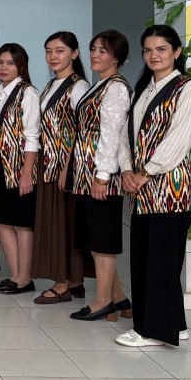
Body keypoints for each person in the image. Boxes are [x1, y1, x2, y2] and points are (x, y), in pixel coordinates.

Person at [117, 25, 191, 347]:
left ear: (177, 52)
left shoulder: (187, 89)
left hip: (170, 191)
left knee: (161, 263)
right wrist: (127, 169)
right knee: (146, 259)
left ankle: (153, 331)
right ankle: (174, 325)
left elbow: (179, 140)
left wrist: (146, 172)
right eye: (148, 50)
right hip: (142, 191)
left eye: (161, 49)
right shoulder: (144, 88)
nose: (154, 55)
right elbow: (127, 135)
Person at [70, 30, 134, 323]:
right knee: (96, 241)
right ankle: (119, 299)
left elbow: (111, 136)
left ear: (117, 58)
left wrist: (103, 177)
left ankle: (101, 302)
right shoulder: (100, 85)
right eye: (93, 49)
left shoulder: (116, 88)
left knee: (102, 244)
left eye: (103, 51)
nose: (95, 55)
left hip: (101, 177)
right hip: (88, 174)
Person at [30, 31, 90, 305]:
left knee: (63, 225)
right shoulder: (51, 85)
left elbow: (81, 130)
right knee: (58, 224)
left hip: (64, 166)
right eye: (49, 51)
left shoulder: (78, 86)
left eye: (60, 51)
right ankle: (74, 281)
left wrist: (68, 166)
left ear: (74, 54)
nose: (53, 56)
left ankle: (63, 284)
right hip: (49, 164)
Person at [0, 43, 41, 295]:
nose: (4, 67)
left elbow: (32, 136)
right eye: (0, 62)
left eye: (10, 63)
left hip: (19, 164)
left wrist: (27, 172)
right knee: (2, 221)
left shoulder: (27, 93)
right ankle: (15, 275)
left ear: (21, 66)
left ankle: (25, 277)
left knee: (22, 222)